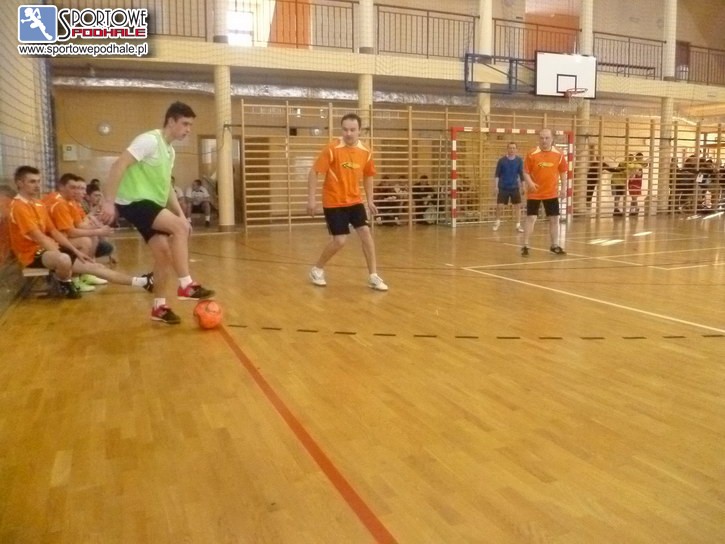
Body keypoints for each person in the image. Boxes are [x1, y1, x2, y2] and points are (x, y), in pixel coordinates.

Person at [100, 101, 214, 325]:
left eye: (190, 125)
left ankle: (159, 308)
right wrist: (108, 202)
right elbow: (119, 165)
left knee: (163, 254)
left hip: (150, 203)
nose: (188, 129)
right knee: (179, 229)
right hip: (134, 201)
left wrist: (181, 215)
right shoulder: (150, 140)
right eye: (185, 124)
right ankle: (186, 285)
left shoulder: (170, 151)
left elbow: (166, 186)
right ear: (171, 121)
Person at [9, 166, 152, 299]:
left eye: (38, 181)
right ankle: (64, 283)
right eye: (32, 181)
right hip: (31, 254)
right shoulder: (18, 207)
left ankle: (143, 282)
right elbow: (40, 237)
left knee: (94, 267)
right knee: (64, 259)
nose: (37, 185)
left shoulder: (38, 203)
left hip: (49, 250)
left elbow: (53, 231)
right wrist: (65, 254)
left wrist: (75, 252)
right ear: (20, 183)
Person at [306, 112, 388, 291]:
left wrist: (370, 200)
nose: (348, 133)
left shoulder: (365, 151)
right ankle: (317, 269)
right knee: (340, 241)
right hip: (334, 201)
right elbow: (314, 172)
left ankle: (373, 276)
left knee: (365, 232)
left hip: (355, 200)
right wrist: (311, 200)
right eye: (345, 130)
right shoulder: (332, 148)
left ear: (360, 131)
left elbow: (368, 176)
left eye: (352, 130)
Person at [521, 129, 568, 257]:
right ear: (538, 139)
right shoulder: (532, 153)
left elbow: (563, 172)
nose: (544, 141)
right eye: (541, 138)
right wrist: (530, 183)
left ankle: (554, 245)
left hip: (551, 192)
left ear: (552, 139)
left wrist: (563, 188)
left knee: (554, 219)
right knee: (531, 218)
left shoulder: (559, 154)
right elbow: (525, 172)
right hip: (534, 192)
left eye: (547, 138)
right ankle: (525, 245)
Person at [492, 142, 524, 232]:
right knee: (499, 206)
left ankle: (518, 225)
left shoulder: (519, 160)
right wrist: (496, 186)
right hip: (503, 187)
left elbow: (521, 175)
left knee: (518, 206)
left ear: (516, 149)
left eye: (514, 148)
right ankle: (497, 222)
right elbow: (497, 174)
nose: (512, 150)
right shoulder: (502, 161)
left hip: (514, 187)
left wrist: (523, 186)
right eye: (510, 148)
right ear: (507, 149)